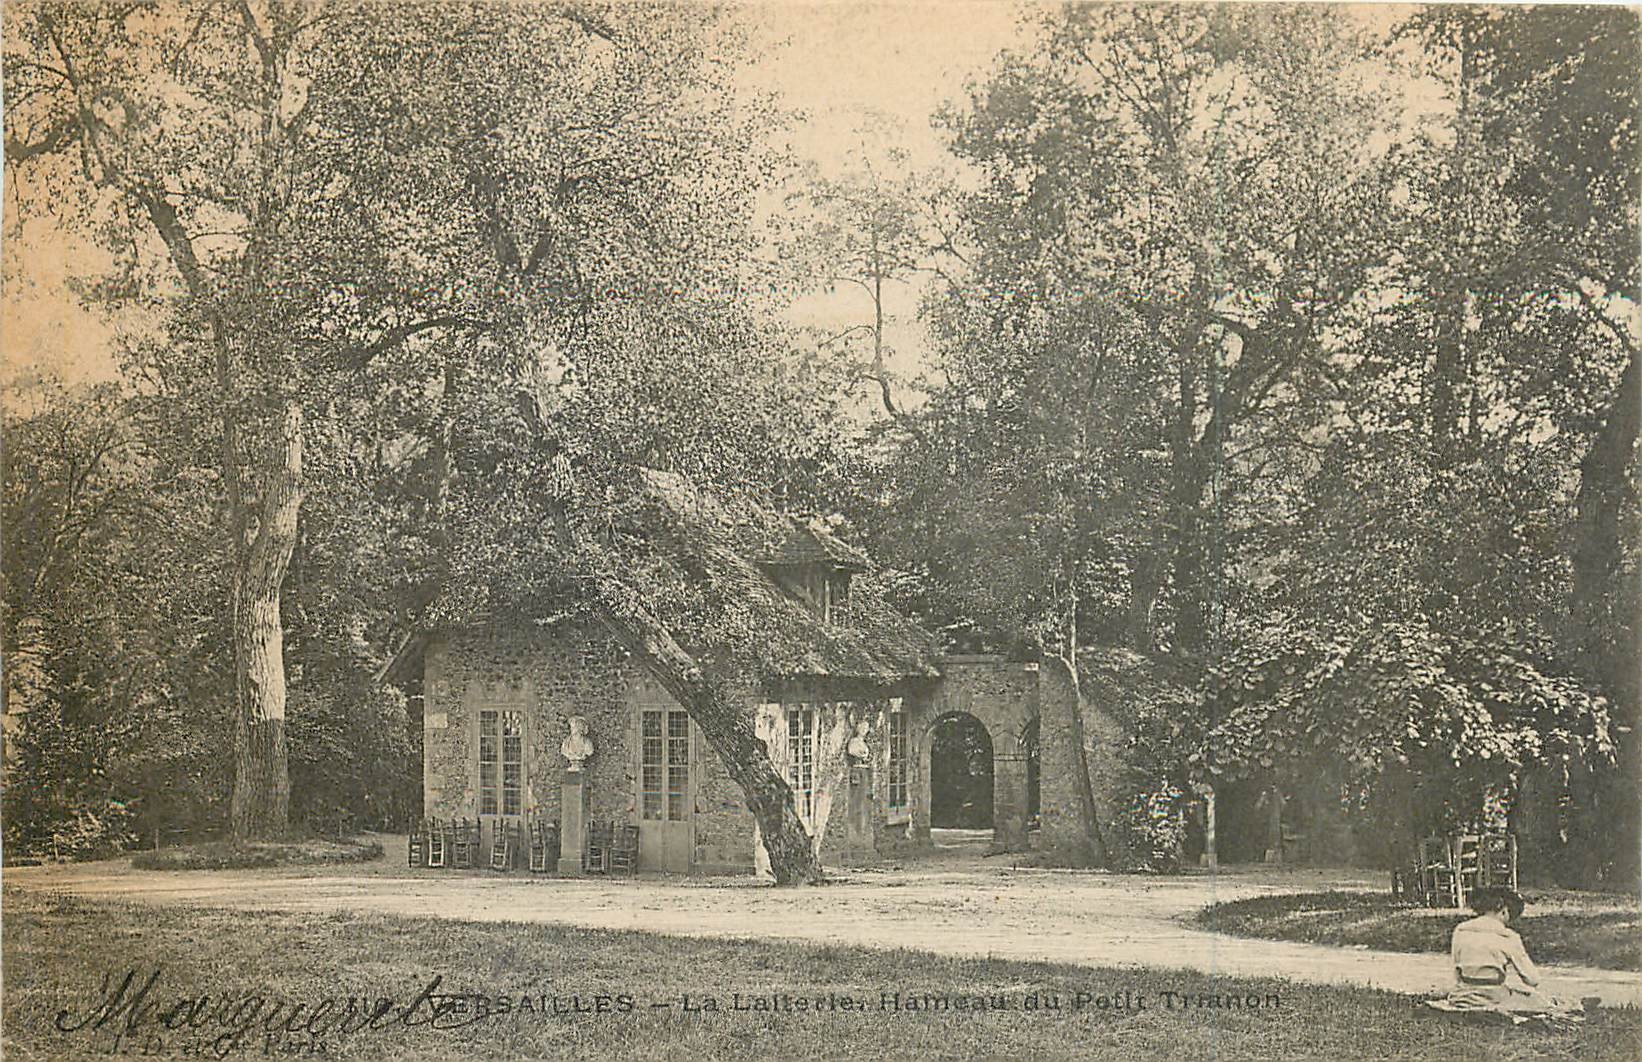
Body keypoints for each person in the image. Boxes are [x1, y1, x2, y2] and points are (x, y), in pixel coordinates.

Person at [1434, 887, 1576, 1017]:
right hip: (1493, 996)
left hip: (1463, 995)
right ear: (1504, 911)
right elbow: (1532, 979)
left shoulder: (1460, 930)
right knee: (1539, 1000)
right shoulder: (1508, 936)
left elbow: (1457, 971)